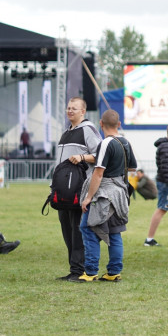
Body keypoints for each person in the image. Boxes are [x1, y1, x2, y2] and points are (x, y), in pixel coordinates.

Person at [77, 110, 136, 282]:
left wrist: (88, 197)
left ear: (101, 124)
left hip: (104, 194)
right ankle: (113, 272)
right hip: (120, 193)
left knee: (88, 227)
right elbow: (132, 167)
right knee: (115, 232)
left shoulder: (105, 144)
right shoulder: (125, 142)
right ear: (118, 124)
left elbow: (98, 174)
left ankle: (90, 272)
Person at [52, 97, 102, 281]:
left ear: (83, 112)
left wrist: (82, 157)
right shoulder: (66, 132)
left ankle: (80, 270)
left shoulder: (88, 130)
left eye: (74, 108)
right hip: (63, 191)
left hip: (79, 189)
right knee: (67, 230)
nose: (70, 111)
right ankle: (74, 269)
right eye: (68, 108)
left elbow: (101, 155)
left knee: (77, 230)